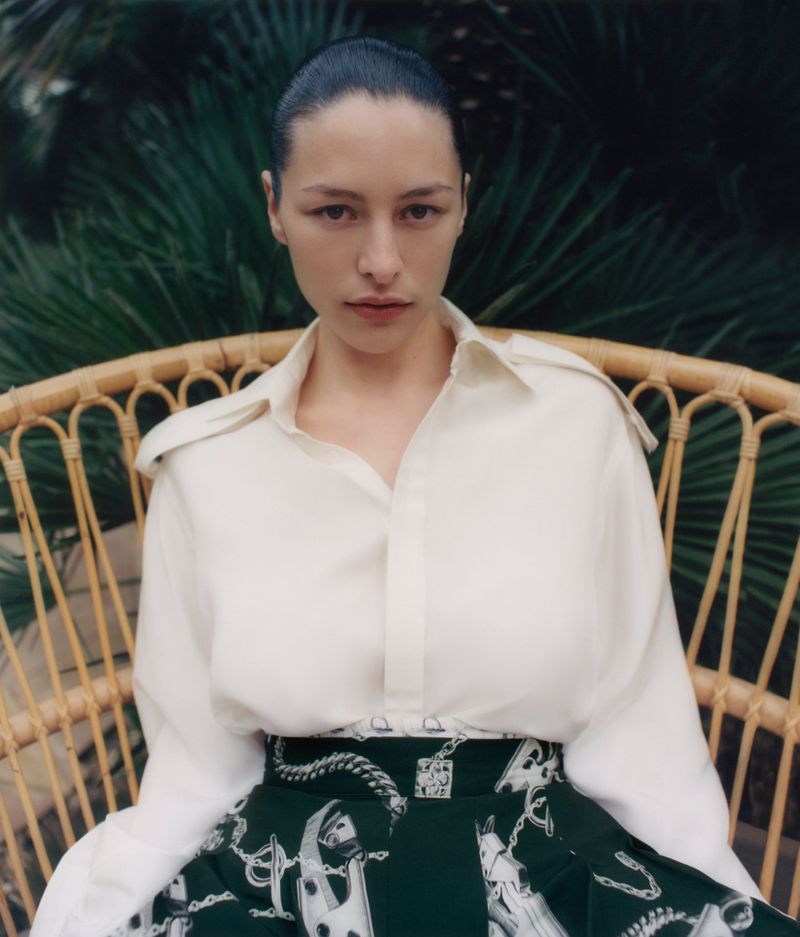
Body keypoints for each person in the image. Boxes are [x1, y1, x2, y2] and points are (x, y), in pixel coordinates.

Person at [32, 36, 799, 937]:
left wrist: (713, 901)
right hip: (288, 884)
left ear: (464, 203)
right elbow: (197, 767)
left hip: (550, 873)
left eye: (420, 210)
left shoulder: (576, 424)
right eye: (337, 213)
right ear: (275, 208)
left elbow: (643, 732)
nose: (383, 260)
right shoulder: (205, 467)